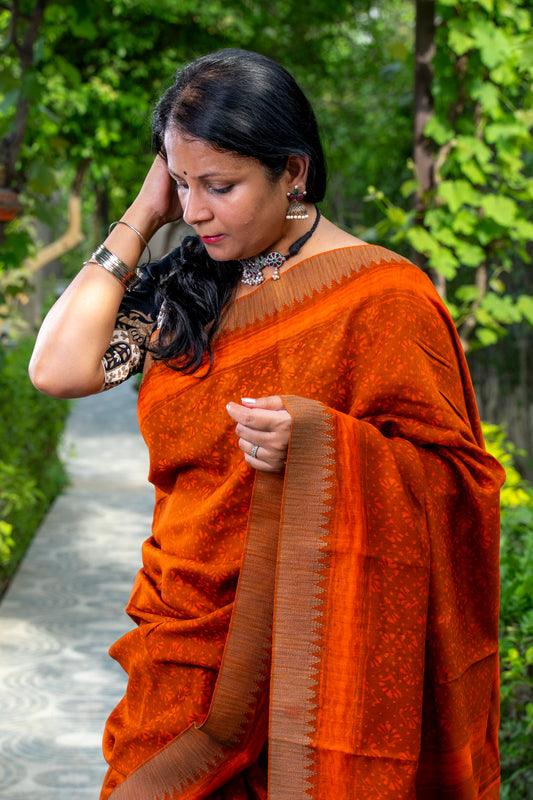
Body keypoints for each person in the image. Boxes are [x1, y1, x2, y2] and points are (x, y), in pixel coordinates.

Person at [29, 49, 505, 800]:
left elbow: (458, 485)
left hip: (309, 662)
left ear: (293, 172)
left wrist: (321, 443)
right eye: (181, 185)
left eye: (220, 186)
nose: (195, 211)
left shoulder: (384, 298)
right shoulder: (187, 287)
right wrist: (142, 214)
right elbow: (57, 368)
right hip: (180, 646)